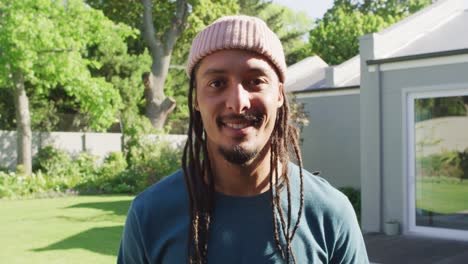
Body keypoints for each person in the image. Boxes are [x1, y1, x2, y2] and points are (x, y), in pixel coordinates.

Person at [117, 15, 369, 264]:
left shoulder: (330, 214)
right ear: (195, 99)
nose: (238, 103)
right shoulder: (150, 215)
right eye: (217, 83)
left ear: (279, 95)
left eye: (255, 81)